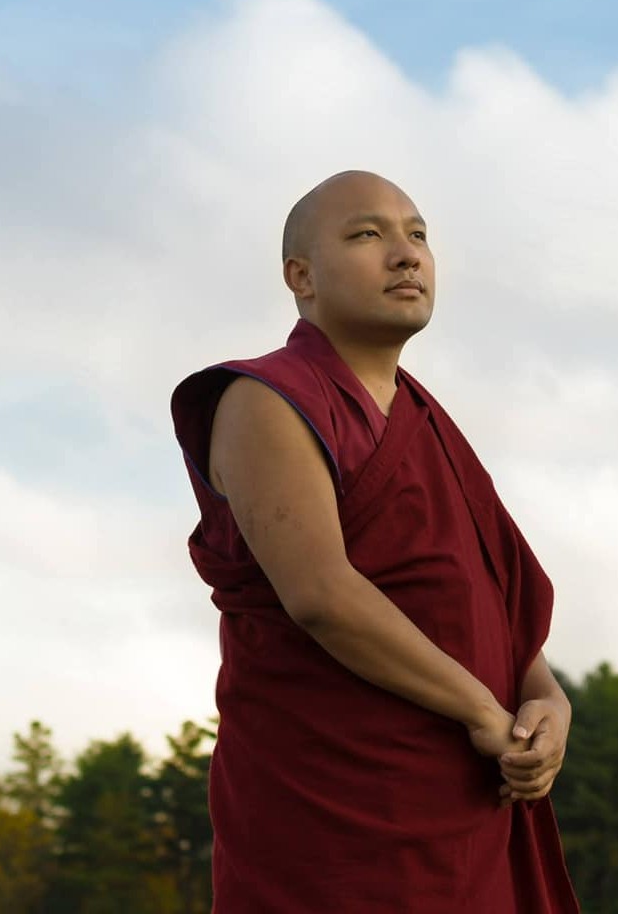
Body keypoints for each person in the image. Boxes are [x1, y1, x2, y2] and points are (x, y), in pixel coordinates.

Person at [171, 171, 580, 913]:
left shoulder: (431, 425)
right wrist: (483, 713)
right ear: (302, 276)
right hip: (335, 811)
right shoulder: (268, 399)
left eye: (417, 235)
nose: (406, 255)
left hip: (469, 810)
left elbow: (494, 602)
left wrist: (546, 705)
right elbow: (322, 595)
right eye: (367, 234)